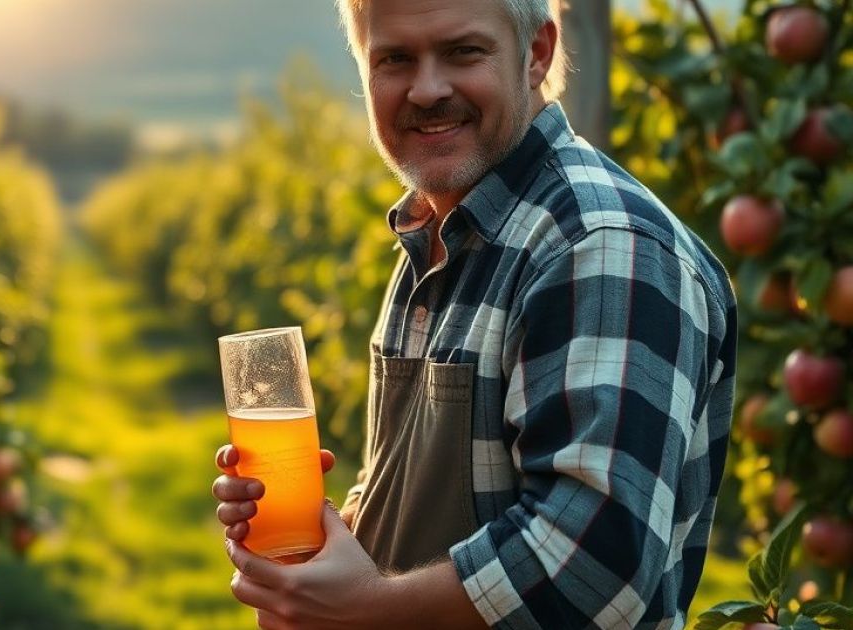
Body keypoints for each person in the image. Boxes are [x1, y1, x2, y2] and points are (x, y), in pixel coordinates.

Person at [212, 0, 739, 627]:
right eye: (395, 60)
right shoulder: (438, 233)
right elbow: (435, 507)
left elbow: (594, 566)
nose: (427, 89)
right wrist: (331, 537)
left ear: (536, 53)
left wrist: (363, 608)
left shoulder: (599, 245)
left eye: (463, 52)